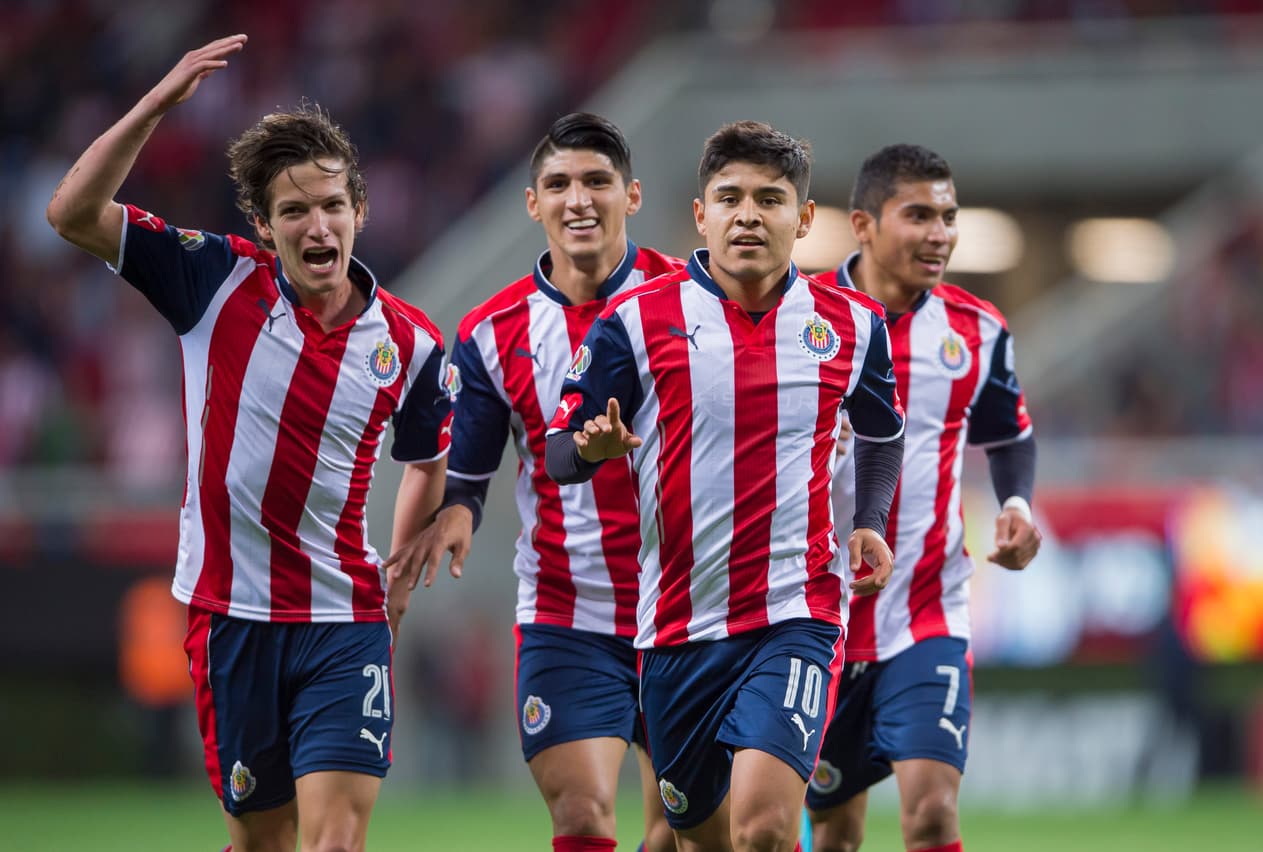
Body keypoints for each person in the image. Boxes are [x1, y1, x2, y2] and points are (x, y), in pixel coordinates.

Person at [45, 35, 453, 852]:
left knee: (334, 840)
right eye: (295, 210)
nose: (318, 223)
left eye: (333, 204)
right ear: (265, 228)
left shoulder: (409, 345)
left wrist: (401, 576)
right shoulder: (213, 281)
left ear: (359, 213)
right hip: (231, 618)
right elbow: (71, 214)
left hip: (344, 618)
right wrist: (156, 106)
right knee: (260, 841)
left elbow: (428, 462)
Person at [544, 120, 906, 852]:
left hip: (795, 615)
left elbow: (883, 429)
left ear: (803, 219)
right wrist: (593, 449)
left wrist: (868, 518)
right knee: (698, 839)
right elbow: (557, 451)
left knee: (765, 828)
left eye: (770, 199)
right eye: (730, 197)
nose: (748, 215)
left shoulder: (853, 325)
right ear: (700, 214)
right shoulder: (635, 320)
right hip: (677, 631)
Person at [398, 112, 683, 852]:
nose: (578, 199)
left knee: (678, 831)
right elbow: (470, 475)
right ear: (534, 203)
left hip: (688, 607)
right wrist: (457, 514)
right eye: (558, 183)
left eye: (597, 181)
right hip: (568, 610)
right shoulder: (493, 332)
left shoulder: (692, 303)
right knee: (583, 817)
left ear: (633, 195)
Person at [804, 144, 1042, 852]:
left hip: (925, 611)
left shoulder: (977, 331)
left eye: (948, 215)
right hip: (814, 615)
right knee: (836, 829)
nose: (940, 232)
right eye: (918, 214)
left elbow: (1011, 435)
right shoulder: (803, 321)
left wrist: (1018, 505)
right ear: (864, 225)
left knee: (932, 814)